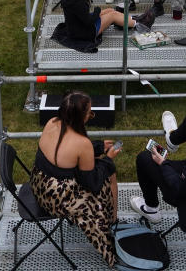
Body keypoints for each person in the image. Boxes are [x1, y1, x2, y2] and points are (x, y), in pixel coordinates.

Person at [30, 90, 121, 268]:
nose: (90, 116)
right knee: (106, 180)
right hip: (58, 200)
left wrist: (98, 146)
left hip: (38, 186)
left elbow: (66, 153)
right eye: (89, 113)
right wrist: (108, 159)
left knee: (99, 170)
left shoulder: (51, 122)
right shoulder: (82, 143)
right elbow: (92, 183)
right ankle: (111, 225)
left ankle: (111, 221)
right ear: (80, 117)